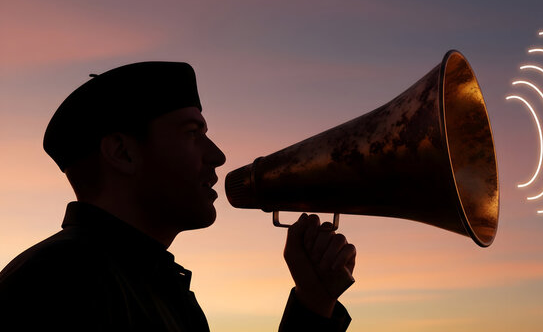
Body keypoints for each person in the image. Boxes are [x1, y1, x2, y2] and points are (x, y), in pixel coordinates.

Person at [0, 62, 356, 331]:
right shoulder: (59, 283)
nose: (217, 155)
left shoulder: (144, 281)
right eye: (192, 133)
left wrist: (314, 299)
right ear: (123, 153)